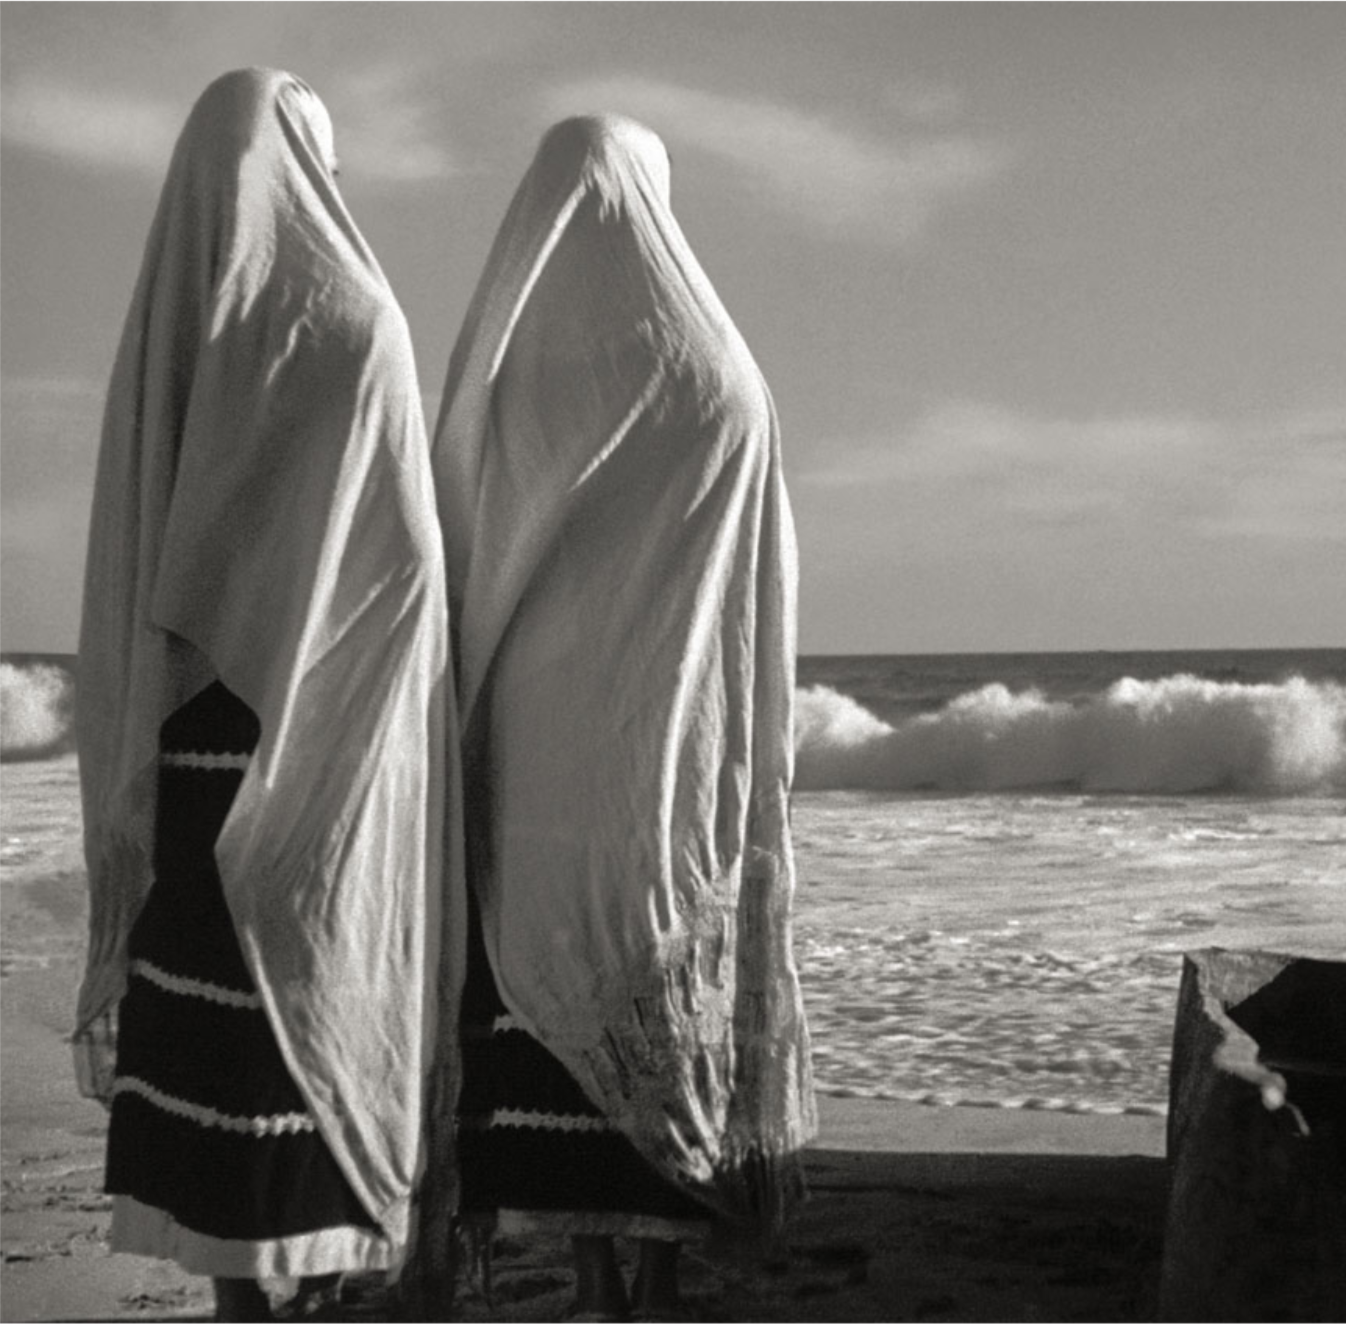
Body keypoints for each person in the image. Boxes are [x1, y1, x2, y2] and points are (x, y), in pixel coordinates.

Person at [71, 68, 456, 1322]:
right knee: (321, 986)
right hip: (329, 737)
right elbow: (400, 568)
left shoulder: (174, 314)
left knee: (229, 1024)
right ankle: (319, 1260)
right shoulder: (359, 317)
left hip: (191, 741)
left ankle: (242, 1301)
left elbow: (140, 550)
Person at [431, 114, 813, 1321]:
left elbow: (454, 539)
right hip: (670, 749)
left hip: (536, 753)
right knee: (659, 977)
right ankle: (650, 1268)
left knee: (543, 978)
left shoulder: (502, 363)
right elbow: (758, 585)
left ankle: (591, 1274)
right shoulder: (720, 373)